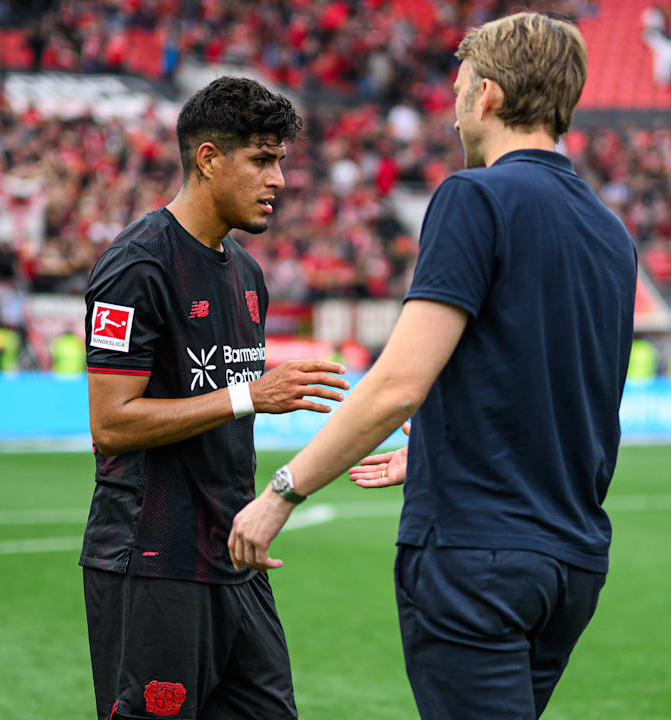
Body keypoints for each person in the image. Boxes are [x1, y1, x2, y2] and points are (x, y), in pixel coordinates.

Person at [229, 13, 637, 719]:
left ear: (488, 96)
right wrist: (442, 451)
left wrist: (282, 493)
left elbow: (397, 384)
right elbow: (568, 394)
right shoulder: (611, 231)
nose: (452, 115)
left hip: (476, 553)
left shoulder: (473, 196)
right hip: (570, 562)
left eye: (458, 90)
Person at [81, 76, 350, 720]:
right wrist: (247, 395)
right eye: (261, 159)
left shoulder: (248, 274)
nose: (278, 179)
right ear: (207, 158)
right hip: (152, 559)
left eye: (280, 160)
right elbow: (111, 423)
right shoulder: (137, 265)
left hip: (233, 554)